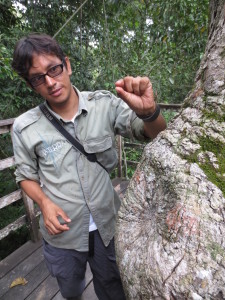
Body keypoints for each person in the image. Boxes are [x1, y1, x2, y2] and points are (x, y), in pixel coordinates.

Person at [11, 33, 166, 300]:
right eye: (38, 78)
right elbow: (25, 175)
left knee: (113, 289)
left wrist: (149, 112)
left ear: (67, 65)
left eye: (54, 69)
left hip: (108, 227)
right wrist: (44, 204)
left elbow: (154, 133)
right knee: (71, 290)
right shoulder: (25, 127)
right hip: (63, 236)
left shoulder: (104, 105)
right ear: (31, 85)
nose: (50, 82)